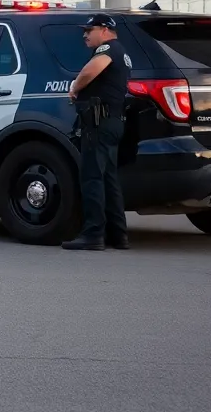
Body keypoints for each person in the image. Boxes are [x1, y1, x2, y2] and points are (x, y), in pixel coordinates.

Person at [62, 13, 132, 251]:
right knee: (109, 179)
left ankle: (93, 234)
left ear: (104, 30)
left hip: (98, 123)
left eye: (89, 30)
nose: (85, 34)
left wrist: (74, 88)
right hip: (112, 121)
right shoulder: (121, 51)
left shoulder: (107, 50)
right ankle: (118, 235)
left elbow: (91, 71)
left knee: (92, 177)